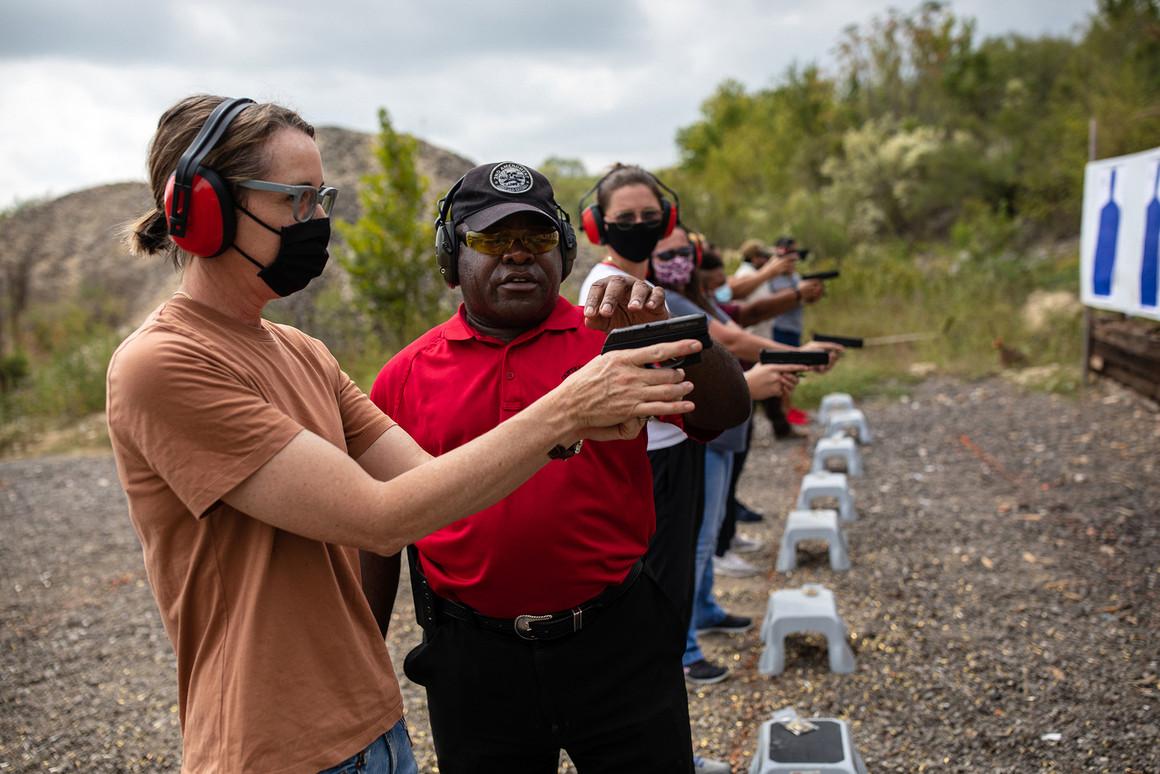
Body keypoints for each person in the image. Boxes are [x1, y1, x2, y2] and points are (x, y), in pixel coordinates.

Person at [106, 97, 699, 774]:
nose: (318, 220)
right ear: (204, 208)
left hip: (373, 726)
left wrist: (580, 424)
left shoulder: (302, 352)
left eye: (320, 196)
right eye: (296, 199)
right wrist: (565, 411)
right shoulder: (166, 364)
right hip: (273, 745)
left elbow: (432, 488)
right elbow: (382, 519)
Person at [365, 161, 750, 774]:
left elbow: (725, 412)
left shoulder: (613, 342)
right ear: (451, 255)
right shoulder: (403, 376)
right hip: (474, 662)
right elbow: (377, 531)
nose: (518, 256)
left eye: (537, 239)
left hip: (618, 639)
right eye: (492, 240)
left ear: (564, 252)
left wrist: (675, 332)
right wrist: (364, 655)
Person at [649, 226, 802, 684]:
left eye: (683, 252)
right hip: (700, 436)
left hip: (714, 434)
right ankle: (687, 647)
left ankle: (704, 612)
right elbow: (731, 343)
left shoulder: (695, 296)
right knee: (697, 545)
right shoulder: (670, 300)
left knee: (706, 534)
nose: (677, 259)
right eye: (668, 252)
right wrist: (796, 357)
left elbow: (736, 322)